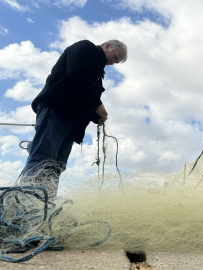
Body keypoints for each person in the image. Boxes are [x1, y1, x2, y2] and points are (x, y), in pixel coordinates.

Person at [19, 39, 128, 198]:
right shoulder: (86, 47)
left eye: (117, 61)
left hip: (71, 124)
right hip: (56, 112)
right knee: (42, 160)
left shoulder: (98, 74)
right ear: (108, 46)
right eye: (116, 57)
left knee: (56, 167)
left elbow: (83, 98)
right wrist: (97, 104)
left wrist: (94, 116)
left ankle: (43, 207)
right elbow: (77, 72)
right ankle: (24, 206)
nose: (114, 62)